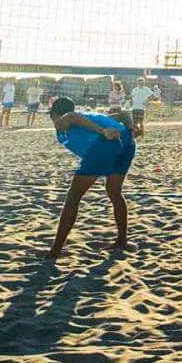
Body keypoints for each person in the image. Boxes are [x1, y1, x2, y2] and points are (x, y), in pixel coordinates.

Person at [46, 95, 135, 258]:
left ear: (55, 114)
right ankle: (122, 241)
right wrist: (131, 130)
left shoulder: (66, 119)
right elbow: (124, 115)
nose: (53, 121)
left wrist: (103, 131)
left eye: (52, 117)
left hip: (104, 146)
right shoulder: (92, 117)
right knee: (114, 192)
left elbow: (72, 117)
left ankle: (55, 251)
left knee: (73, 197)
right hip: (127, 143)